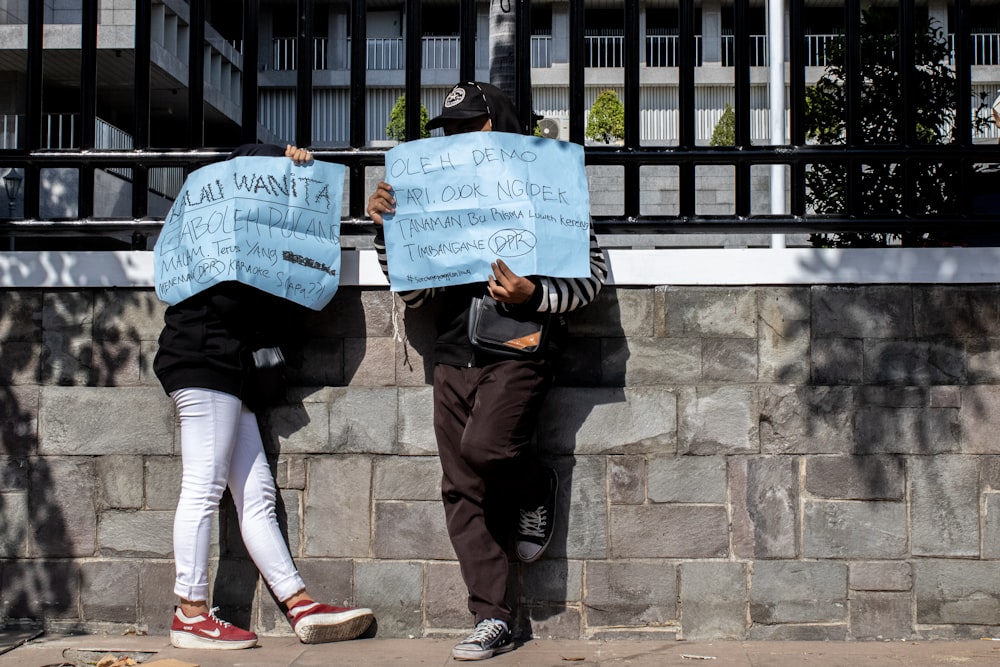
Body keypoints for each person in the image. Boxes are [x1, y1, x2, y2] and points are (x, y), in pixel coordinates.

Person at [367, 82, 608, 661]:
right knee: (460, 487)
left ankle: (534, 488)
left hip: (520, 345)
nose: (453, 139)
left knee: (488, 449)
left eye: (468, 126)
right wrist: (388, 230)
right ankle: (494, 616)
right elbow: (415, 295)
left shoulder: (546, 182)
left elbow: (593, 275)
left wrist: (533, 293)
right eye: (447, 129)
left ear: (498, 127)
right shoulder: (428, 190)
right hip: (452, 351)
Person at [153, 143, 375, 650]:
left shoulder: (239, 238)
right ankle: (189, 610)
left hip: (233, 374)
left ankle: (299, 604)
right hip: (206, 365)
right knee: (204, 487)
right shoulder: (219, 239)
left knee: (256, 497)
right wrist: (281, 158)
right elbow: (249, 298)